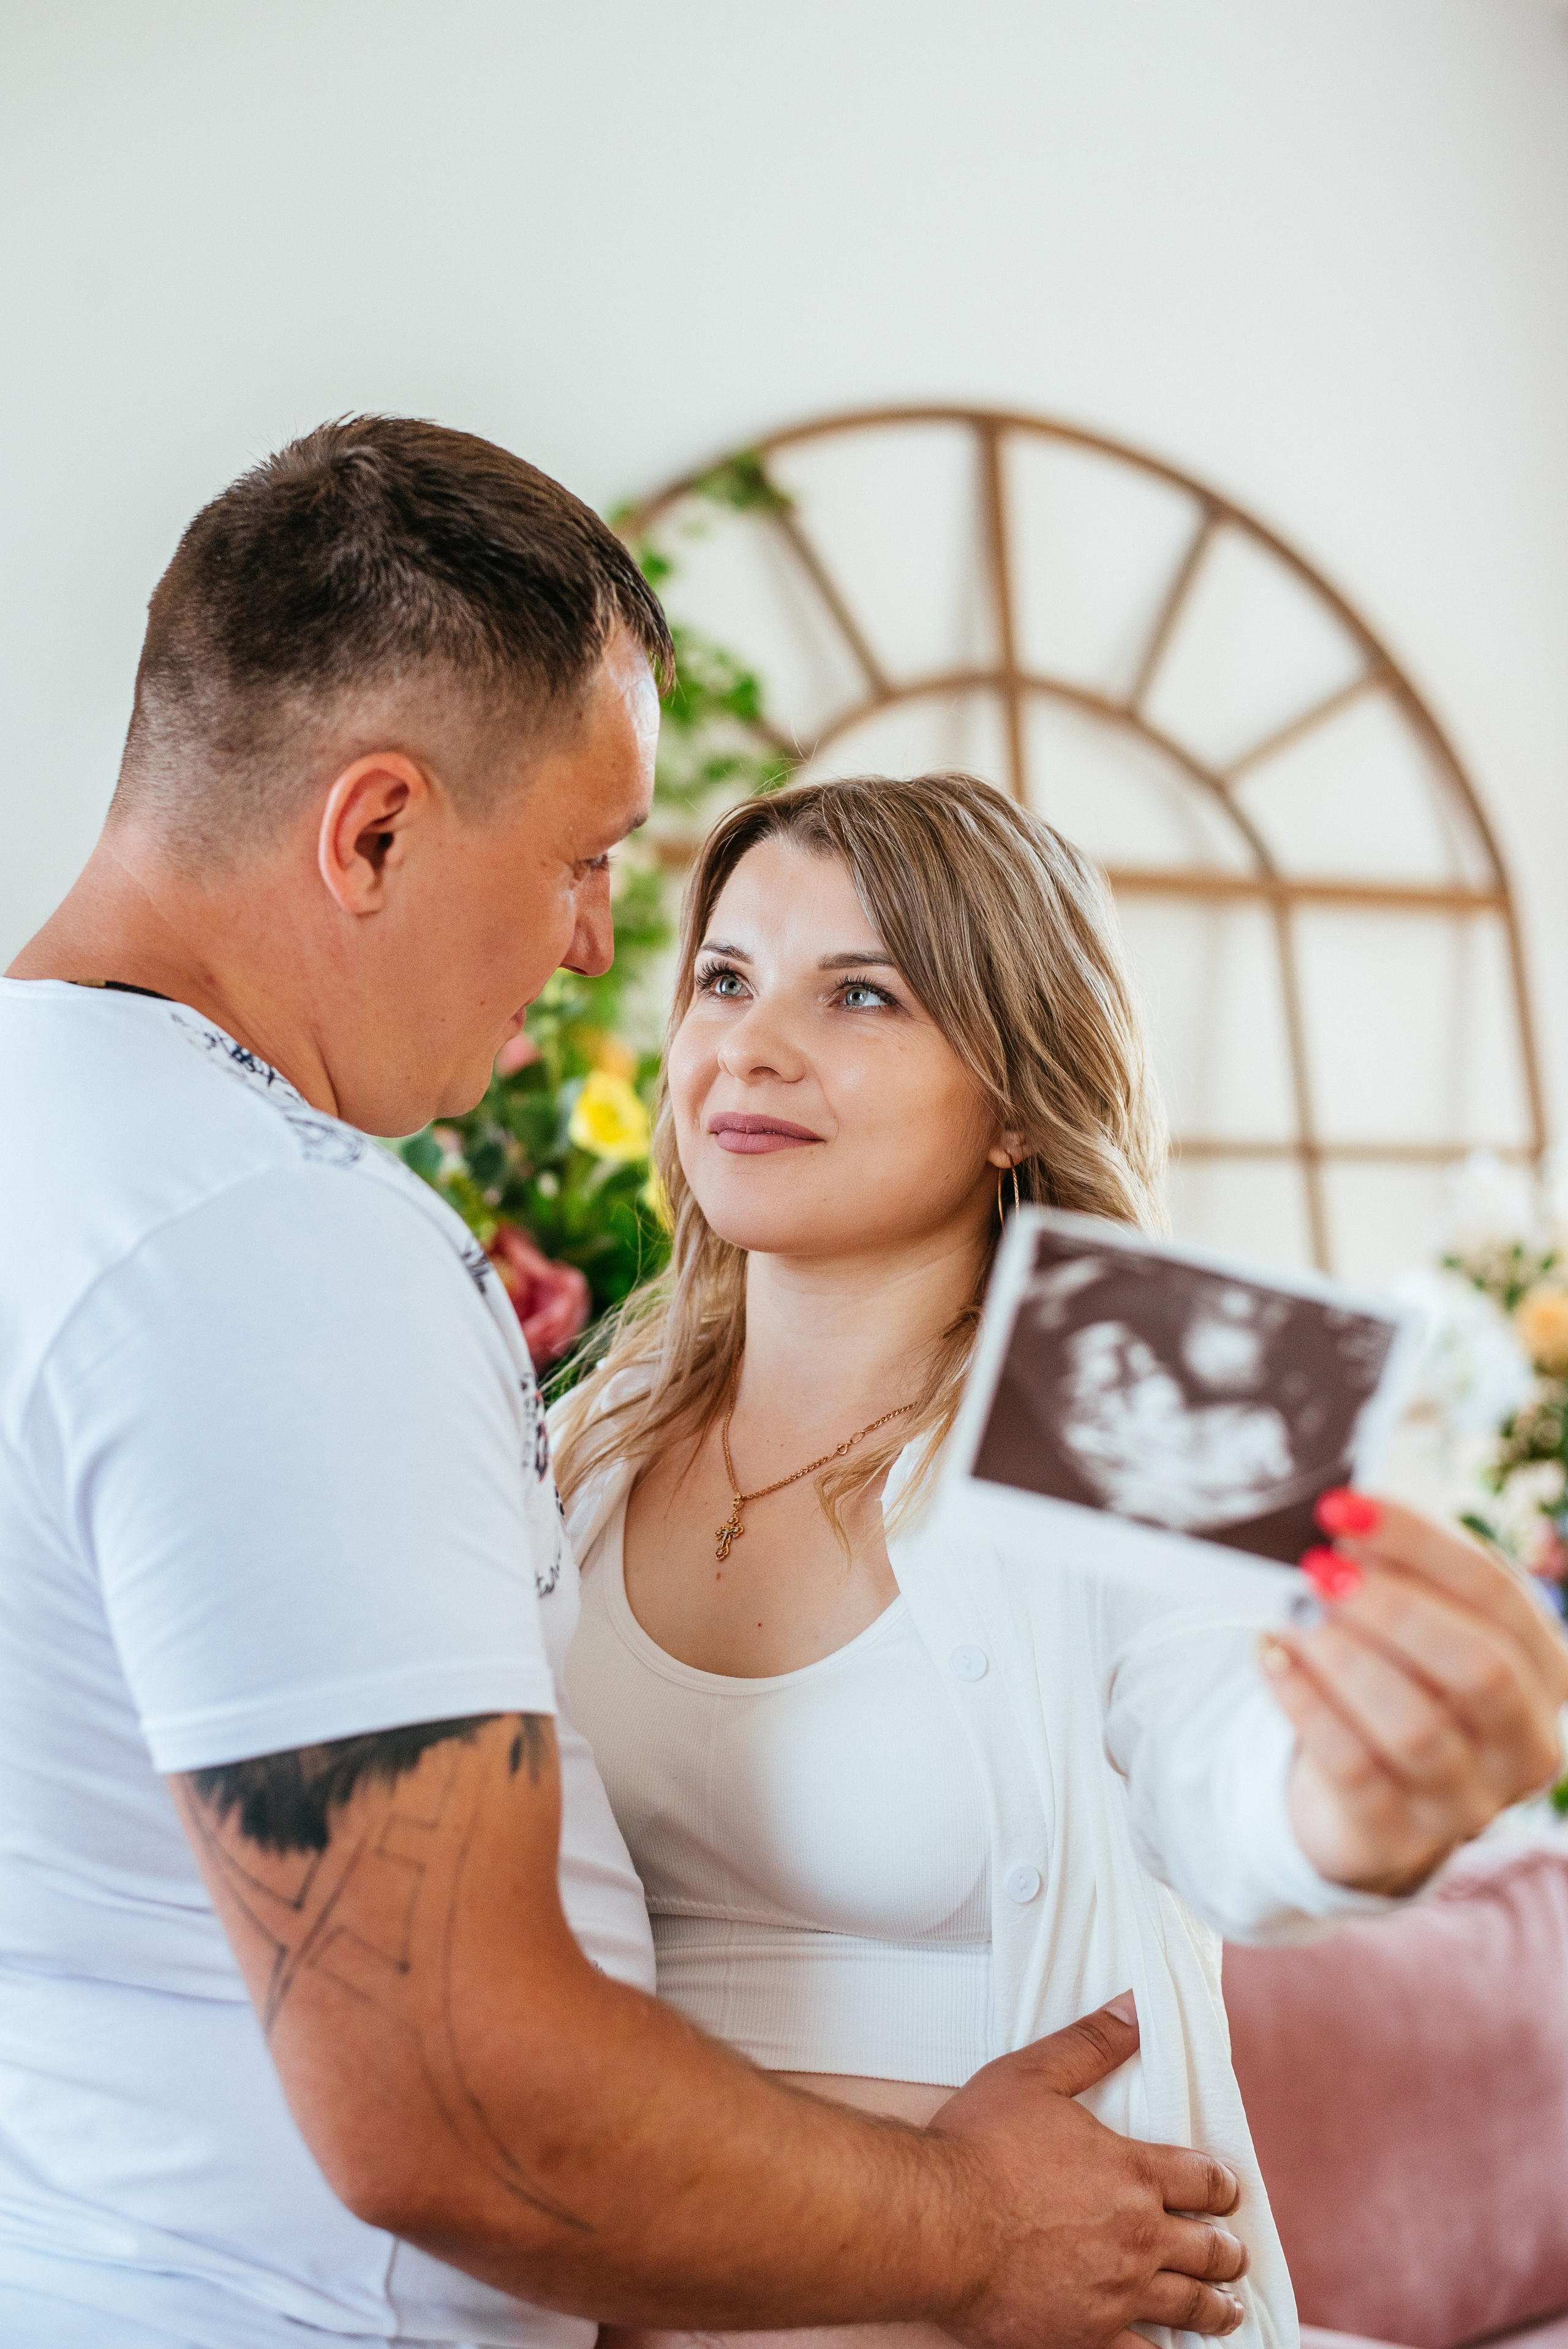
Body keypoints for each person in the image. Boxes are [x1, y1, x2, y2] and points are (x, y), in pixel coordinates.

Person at [0, 421, 1263, 2349]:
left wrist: (1389, 1785)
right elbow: (460, 2073)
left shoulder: (1144, 1349)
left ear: (1022, 1074)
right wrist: (959, 2214)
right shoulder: (533, 1374)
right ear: (377, 831)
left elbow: (1258, 1780)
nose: (622, 967)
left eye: (863, 988)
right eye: (703, 956)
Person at [552, 770, 1568, 2349]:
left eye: (864, 994)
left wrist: (1351, 1809)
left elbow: (1226, 1774)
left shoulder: (1122, 1410)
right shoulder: (591, 1432)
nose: (748, 1047)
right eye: (725, 980)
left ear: (1017, 1094)